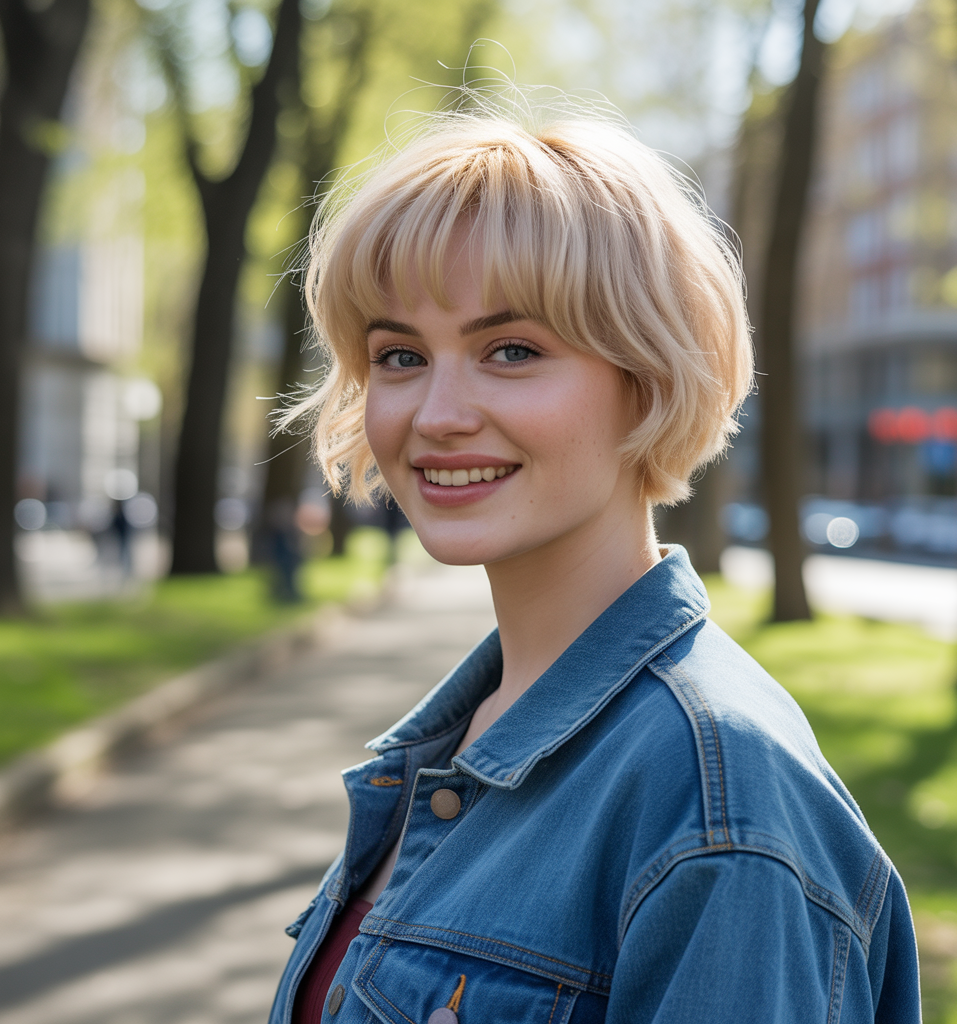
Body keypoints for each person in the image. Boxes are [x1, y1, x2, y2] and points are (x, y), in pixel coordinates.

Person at [268, 102, 921, 1024]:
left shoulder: (716, 811)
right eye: (401, 355)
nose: (437, 412)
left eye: (512, 350)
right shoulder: (470, 732)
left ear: (647, 379)